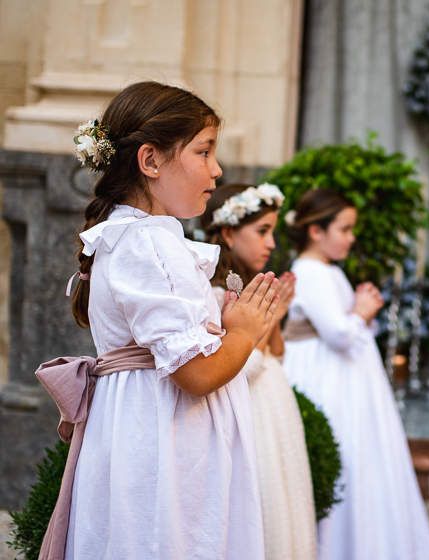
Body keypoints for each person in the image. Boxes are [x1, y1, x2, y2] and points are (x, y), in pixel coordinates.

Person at [39, 81, 281, 559]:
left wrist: (218, 324)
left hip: (137, 429)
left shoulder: (129, 237)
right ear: (150, 161)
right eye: (203, 151)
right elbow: (197, 373)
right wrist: (244, 333)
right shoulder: (151, 242)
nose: (217, 169)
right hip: (166, 446)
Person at [282, 188, 429, 560]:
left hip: (346, 378)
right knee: (346, 457)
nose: (352, 237)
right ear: (316, 231)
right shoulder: (309, 271)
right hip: (326, 379)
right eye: (345, 229)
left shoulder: (329, 271)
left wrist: (359, 307)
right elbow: (338, 333)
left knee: (362, 459)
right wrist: (362, 311)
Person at [200, 182, 317, 560]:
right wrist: (262, 325)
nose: (271, 243)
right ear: (230, 233)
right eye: (262, 231)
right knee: (260, 503)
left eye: (273, 232)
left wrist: (275, 319)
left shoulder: (254, 285)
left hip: (274, 410)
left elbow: (276, 357)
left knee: (286, 498)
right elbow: (240, 369)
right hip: (246, 414)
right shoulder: (217, 294)